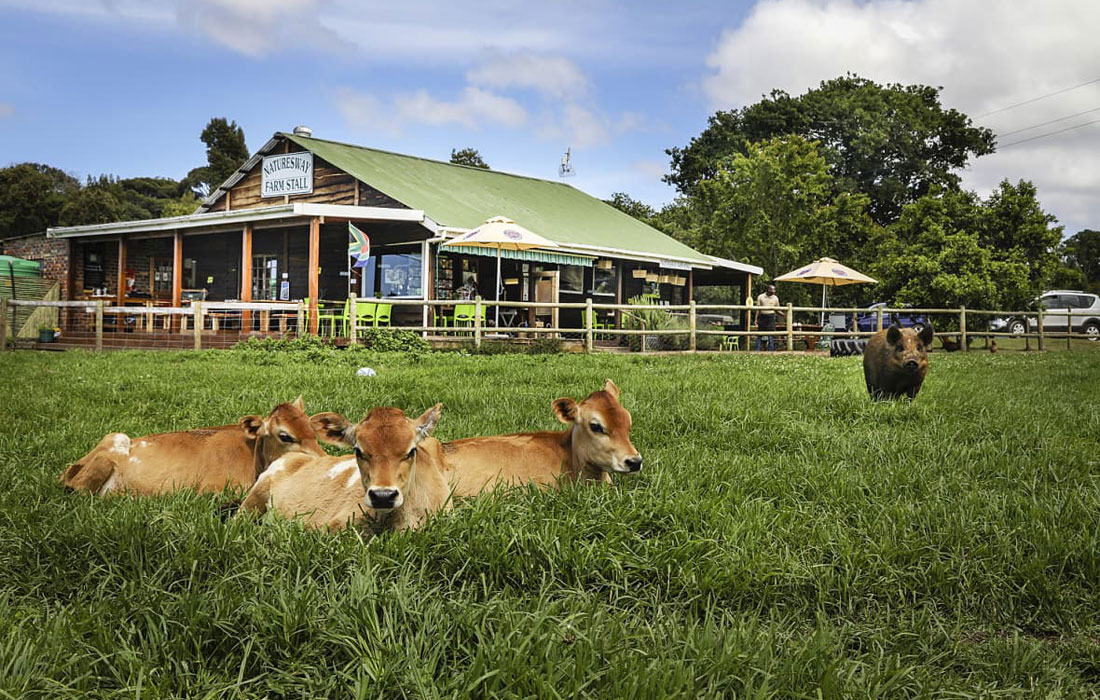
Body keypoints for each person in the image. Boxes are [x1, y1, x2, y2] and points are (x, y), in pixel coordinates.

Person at [754, 284, 784, 351]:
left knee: (771, 334)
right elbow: (757, 309)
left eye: (774, 290)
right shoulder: (761, 297)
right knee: (759, 334)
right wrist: (756, 319)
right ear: (767, 290)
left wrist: (783, 314)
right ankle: (757, 350)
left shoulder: (775, 298)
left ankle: (771, 350)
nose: (773, 291)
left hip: (771, 317)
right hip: (762, 316)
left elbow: (777, 309)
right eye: (772, 290)